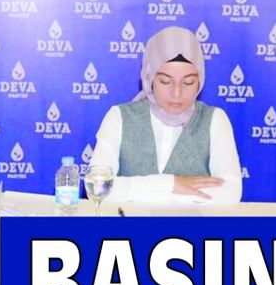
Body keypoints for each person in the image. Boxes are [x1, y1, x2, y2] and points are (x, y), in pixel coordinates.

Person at [88, 25, 242, 203]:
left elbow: (231, 192)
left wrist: (141, 191)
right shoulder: (119, 117)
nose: (177, 93)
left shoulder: (215, 119)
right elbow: (98, 186)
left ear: (200, 81)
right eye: (165, 81)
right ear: (149, 78)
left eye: (188, 82)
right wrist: (171, 184)